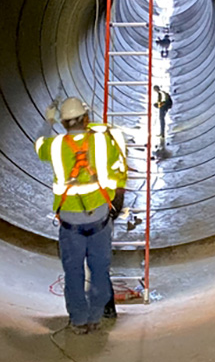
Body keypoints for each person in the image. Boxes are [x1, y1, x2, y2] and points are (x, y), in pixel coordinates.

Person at [35, 97, 128, 334]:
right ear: (85, 119)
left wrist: (48, 120)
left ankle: (78, 321)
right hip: (99, 218)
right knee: (99, 270)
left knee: (73, 272)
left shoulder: (54, 147)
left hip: (70, 222)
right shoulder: (102, 142)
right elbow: (116, 156)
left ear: (64, 123)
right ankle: (96, 317)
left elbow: (39, 145)